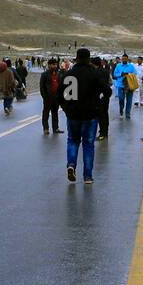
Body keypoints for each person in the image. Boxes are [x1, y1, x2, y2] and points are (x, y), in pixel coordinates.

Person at [57, 47, 104, 184]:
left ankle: (71, 164)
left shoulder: (68, 74)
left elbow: (60, 94)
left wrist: (65, 108)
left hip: (73, 114)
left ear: (76, 58)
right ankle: (88, 176)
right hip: (90, 115)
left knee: (72, 140)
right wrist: (99, 104)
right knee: (88, 144)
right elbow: (106, 90)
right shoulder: (94, 73)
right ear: (88, 58)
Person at [39, 57, 63, 134]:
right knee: (46, 113)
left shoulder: (58, 74)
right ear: (49, 65)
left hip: (56, 98)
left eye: (55, 64)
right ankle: (46, 128)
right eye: (53, 65)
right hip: (48, 98)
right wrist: (44, 97)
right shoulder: (44, 74)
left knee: (55, 113)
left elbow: (60, 85)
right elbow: (42, 87)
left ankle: (56, 128)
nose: (54, 66)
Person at [113, 53, 139, 119]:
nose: (124, 60)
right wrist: (121, 74)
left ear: (127, 59)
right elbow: (115, 74)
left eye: (125, 59)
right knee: (121, 99)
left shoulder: (131, 66)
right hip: (120, 85)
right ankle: (121, 111)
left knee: (129, 100)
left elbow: (135, 73)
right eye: (123, 59)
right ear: (121, 59)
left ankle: (128, 114)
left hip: (129, 85)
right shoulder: (118, 66)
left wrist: (128, 74)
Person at [92, 56, 113, 141]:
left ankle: (102, 133)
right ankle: (105, 132)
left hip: (99, 96)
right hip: (106, 95)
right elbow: (109, 82)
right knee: (105, 114)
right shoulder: (106, 71)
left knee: (100, 115)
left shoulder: (96, 72)